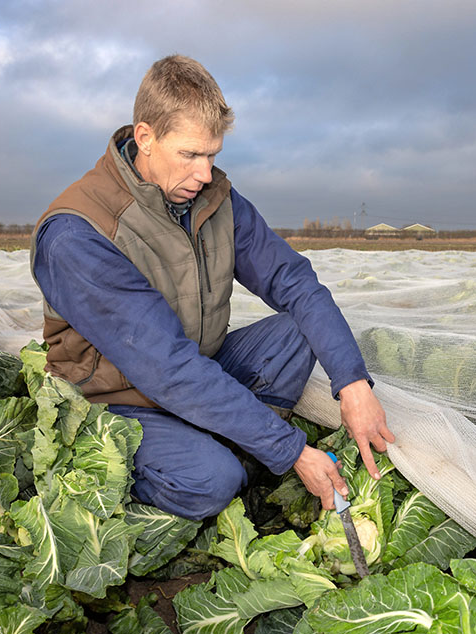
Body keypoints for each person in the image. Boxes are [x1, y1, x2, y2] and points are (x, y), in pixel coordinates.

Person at [30, 54, 393, 521]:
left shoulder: (212, 198)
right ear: (145, 137)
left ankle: (233, 446)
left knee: (300, 330)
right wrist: (292, 451)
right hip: (113, 403)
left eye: (212, 156)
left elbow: (294, 281)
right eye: (190, 155)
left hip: (196, 367)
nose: (205, 174)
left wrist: (353, 384)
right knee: (211, 482)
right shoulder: (78, 235)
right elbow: (168, 369)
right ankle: (198, 467)